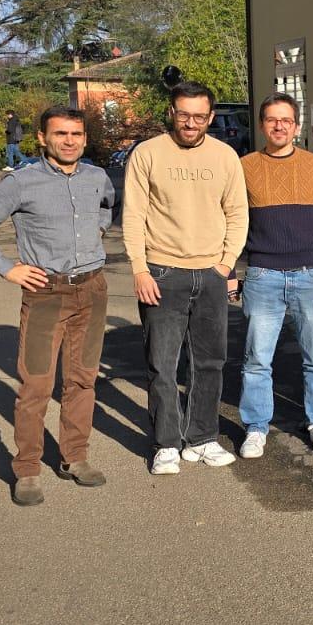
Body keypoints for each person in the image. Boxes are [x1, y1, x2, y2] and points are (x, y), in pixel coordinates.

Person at [0, 106, 114, 505]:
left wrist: (96, 229)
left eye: (76, 134)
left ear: (84, 138)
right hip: (46, 293)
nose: (69, 141)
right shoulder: (21, 183)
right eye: (60, 134)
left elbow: (106, 206)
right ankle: (27, 469)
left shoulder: (97, 177)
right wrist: (7, 268)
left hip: (92, 291)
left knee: (82, 380)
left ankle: (74, 457)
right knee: (37, 385)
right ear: (42, 138)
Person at [122, 82, 248, 475]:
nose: (190, 123)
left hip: (211, 273)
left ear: (210, 117)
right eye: (183, 114)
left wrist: (225, 265)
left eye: (199, 116)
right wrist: (139, 269)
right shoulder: (147, 154)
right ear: (171, 113)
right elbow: (133, 215)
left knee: (209, 362)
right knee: (162, 364)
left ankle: (202, 438)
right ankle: (166, 444)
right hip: (162, 272)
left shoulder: (225, 156)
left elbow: (237, 213)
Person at [236, 94, 313, 460]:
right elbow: (233, 222)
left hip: (310, 273)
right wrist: (235, 269)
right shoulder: (244, 166)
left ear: (297, 127)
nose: (279, 126)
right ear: (262, 124)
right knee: (257, 359)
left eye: (286, 120)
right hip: (262, 274)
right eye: (272, 119)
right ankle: (256, 426)